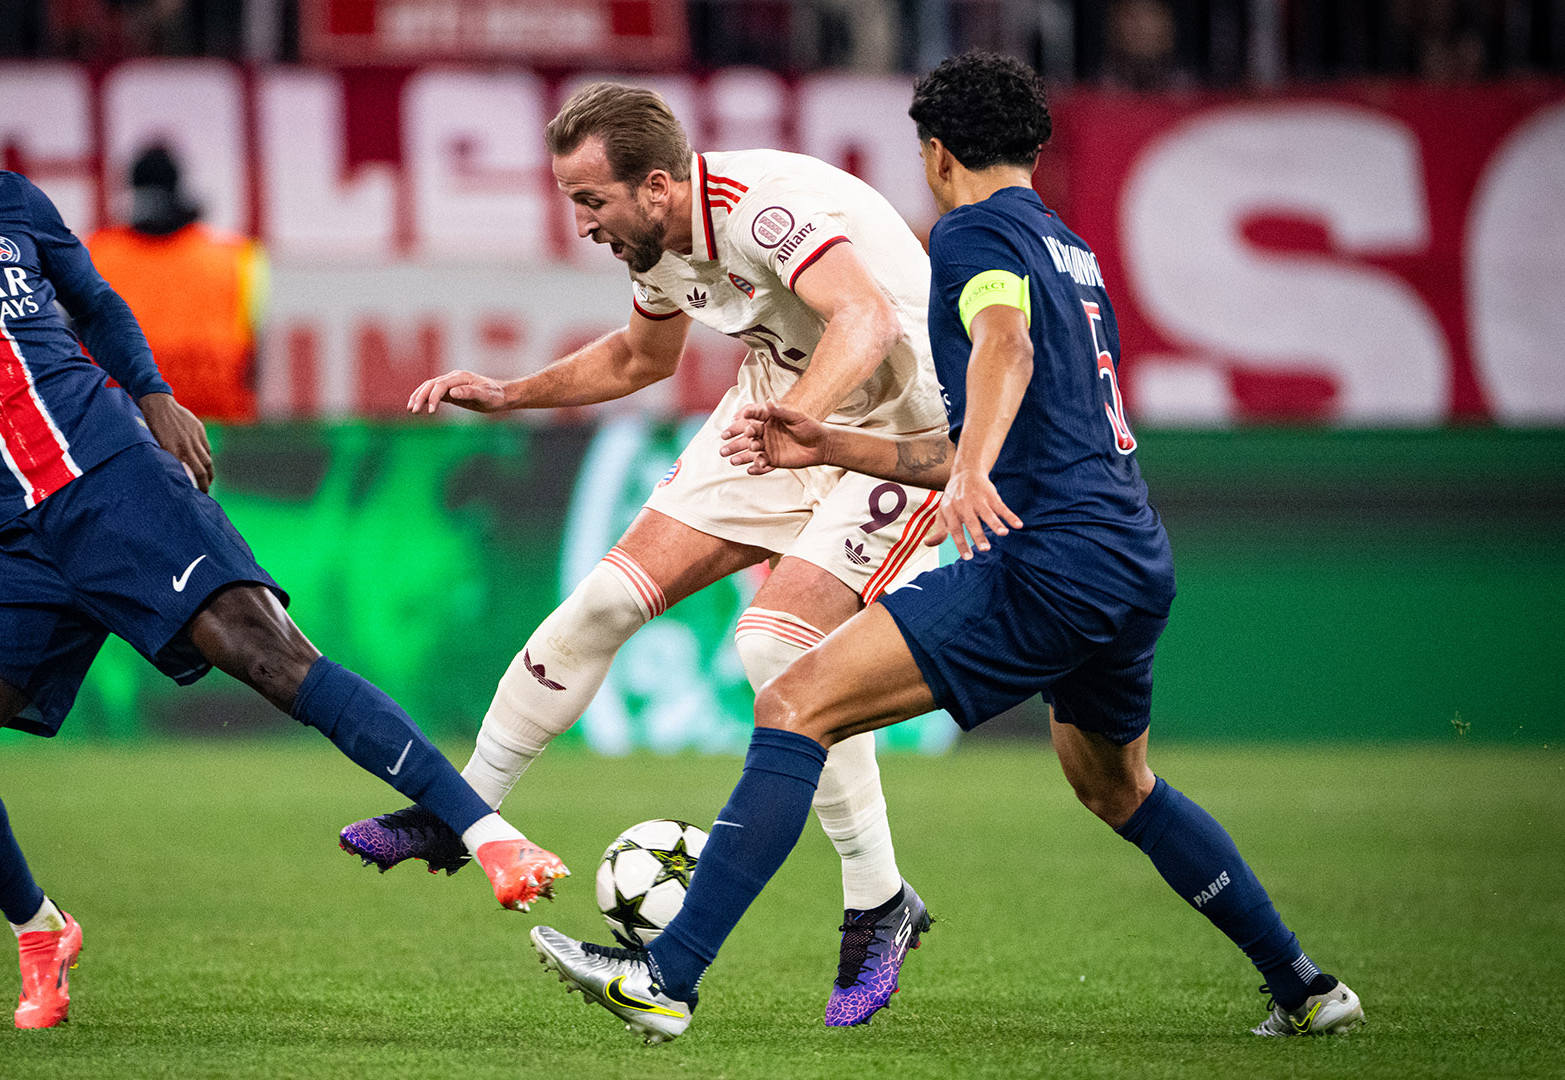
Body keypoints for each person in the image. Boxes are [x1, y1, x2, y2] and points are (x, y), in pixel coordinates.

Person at [0, 79, 566, 1031]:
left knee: (268, 653)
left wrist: (151, 393)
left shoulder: (9, 206)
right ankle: (40, 927)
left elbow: (95, 301)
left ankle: (489, 835)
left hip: (115, 480)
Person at [528, 52, 1365, 1045]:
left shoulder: (970, 234)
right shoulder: (1070, 248)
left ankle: (667, 975)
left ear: (934, 154)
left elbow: (1002, 347)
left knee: (794, 700)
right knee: (1114, 784)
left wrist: (972, 473)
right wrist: (837, 443)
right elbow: (978, 429)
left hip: (1046, 560)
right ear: (1033, 146)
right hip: (1133, 555)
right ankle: (1305, 987)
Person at [340, 81, 948, 1026]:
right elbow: (638, 361)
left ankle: (878, 903)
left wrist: (804, 425)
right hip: (783, 409)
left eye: (590, 200)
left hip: (901, 435)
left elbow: (863, 319)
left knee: (777, 649)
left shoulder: (759, 213)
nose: (581, 223)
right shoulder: (660, 243)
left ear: (657, 186)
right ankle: (459, 815)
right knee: (601, 604)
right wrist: (507, 394)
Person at [86, 145, 265, 422]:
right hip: (213, 438)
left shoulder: (93, 255)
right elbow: (253, 366)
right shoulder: (233, 257)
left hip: (122, 433)